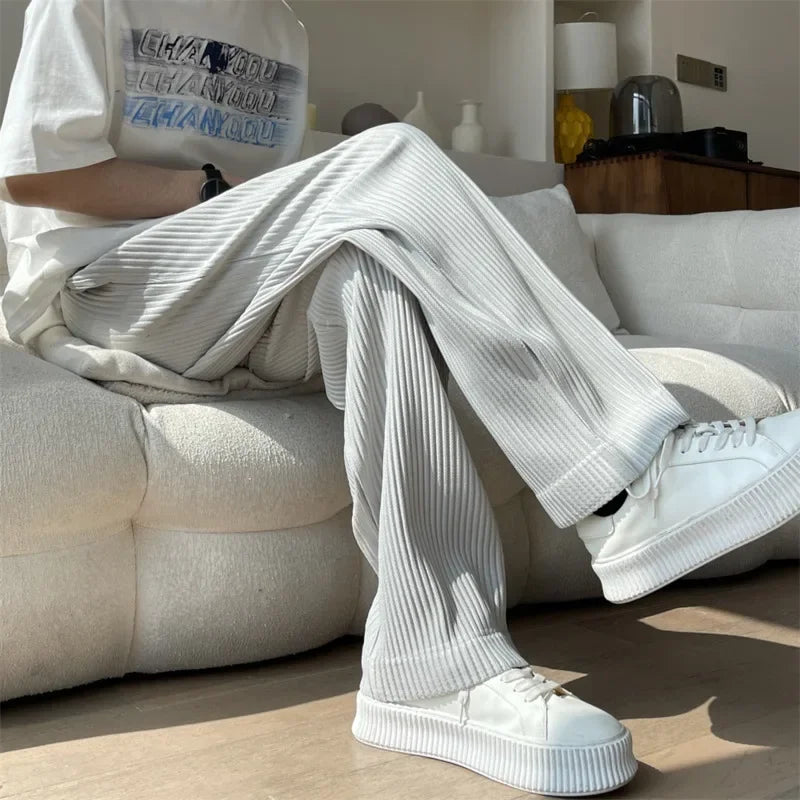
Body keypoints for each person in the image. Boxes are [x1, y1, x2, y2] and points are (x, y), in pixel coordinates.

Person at [1, 1, 798, 796]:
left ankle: (434, 662)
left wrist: (266, 205)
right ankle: (630, 478)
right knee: (393, 155)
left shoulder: (281, 28)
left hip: (234, 293)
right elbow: (33, 167)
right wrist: (216, 188)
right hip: (108, 284)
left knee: (367, 273)